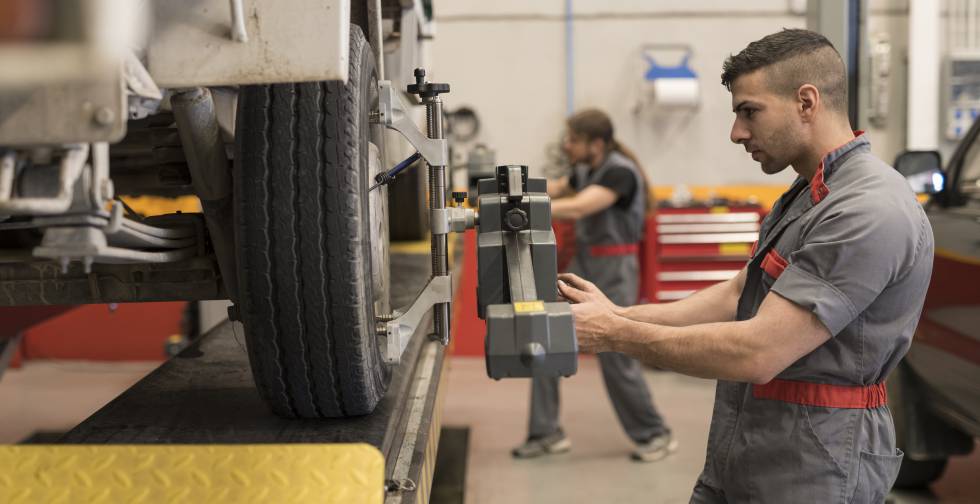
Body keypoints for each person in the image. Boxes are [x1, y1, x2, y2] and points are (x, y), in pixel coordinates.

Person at [557, 29, 934, 503]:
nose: (736, 132)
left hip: (816, 463)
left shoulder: (867, 209)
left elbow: (759, 352)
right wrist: (618, 314)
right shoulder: (808, 193)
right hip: (751, 442)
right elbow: (739, 294)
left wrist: (613, 334)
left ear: (806, 102)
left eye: (749, 111)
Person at [511, 109, 676, 463]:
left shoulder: (620, 173)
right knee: (544, 338)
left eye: (573, 139)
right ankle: (546, 432)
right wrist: (512, 193)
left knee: (617, 355)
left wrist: (528, 210)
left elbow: (580, 207)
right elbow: (555, 189)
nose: (567, 145)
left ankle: (654, 433)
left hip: (614, 268)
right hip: (583, 264)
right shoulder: (585, 169)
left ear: (595, 143)